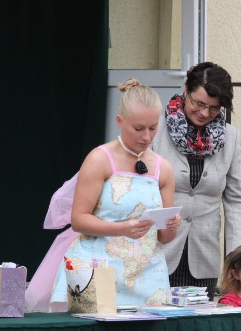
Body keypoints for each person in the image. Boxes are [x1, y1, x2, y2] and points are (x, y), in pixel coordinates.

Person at [40, 79, 181, 310]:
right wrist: (122, 229)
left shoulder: (163, 168)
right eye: (138, 128)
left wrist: (172, 225)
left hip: (146, 276)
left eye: (153, 128)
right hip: (98, 269)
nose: (147, 136)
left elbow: (164, 237)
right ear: (120, 121)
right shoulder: (99, 159)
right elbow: (79, 220)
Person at [152, 62, 241, 299]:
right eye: (199, 103)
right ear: (186, 90)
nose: (205, 113)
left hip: (204, 257)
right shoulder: (155, 129)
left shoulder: (230, 137)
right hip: (157, 252)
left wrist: (238, 256)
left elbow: (236, 201)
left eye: (214, 108)